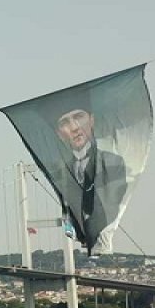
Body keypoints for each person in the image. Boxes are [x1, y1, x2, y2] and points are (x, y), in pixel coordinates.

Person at [43, 97, 128, 253]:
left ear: (92, 120)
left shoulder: (113, 162)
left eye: (78, 117)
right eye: (65, 122)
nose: (74, 128)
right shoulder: (58, 171)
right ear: (59, 134)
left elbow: (110, 205)